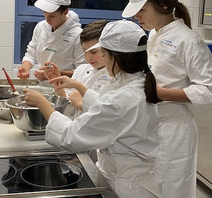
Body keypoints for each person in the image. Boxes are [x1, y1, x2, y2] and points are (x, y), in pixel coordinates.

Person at [23, 20, 161, 198]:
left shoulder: (120, 99)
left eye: (102, 53)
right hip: (138, 178)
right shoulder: (138, 83)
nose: (99, 59)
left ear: (115, 57)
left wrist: (43, 103)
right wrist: (78, 88)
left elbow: (70, 137)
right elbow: (108, 109)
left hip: (126, 187)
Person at [122, 0, 212, 198]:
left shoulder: (189, 41)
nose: (136, 16)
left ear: (165, 6)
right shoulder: (153, 34)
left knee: (170, 190)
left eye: (142, 9)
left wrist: (162, 93)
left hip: (173, 132)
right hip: (149, 125)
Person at [43, 19, 112, 117]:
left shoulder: (116, 77)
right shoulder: (81, 70)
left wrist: (81, 104)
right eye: (84, 51)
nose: (88, 57)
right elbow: (67, 110)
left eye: (93, 52)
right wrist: (57, 83)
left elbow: (107, 116)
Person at [18, 0, 85, 83]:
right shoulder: (40, 27)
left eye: (52, 16)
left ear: (65, 12)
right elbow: (31, 53)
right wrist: (25, 68)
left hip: (66, 89)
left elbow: (83, 71)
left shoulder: (78, 35)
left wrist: (54, 74)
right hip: (44, 86)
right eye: (45, 13)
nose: (47, 19)